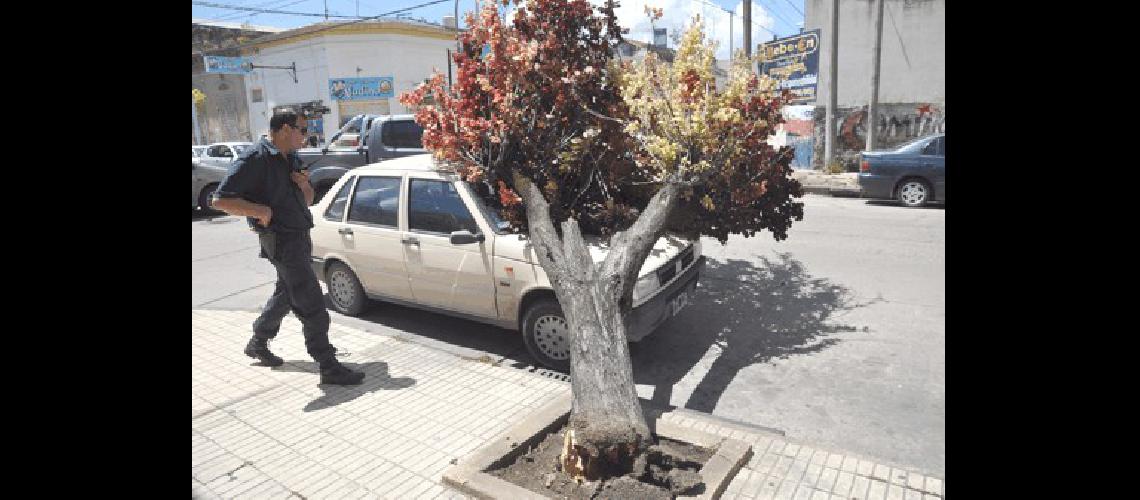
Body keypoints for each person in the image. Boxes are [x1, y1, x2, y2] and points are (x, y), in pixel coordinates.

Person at [212, 110, 365, 386]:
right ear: (284, 129)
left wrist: (304, 183)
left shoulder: (290, 157)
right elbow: (220, 200)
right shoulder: (255, 158)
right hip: (281, 241)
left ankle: (258, 341)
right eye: (301, 130)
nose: (305, 136)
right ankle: (327, 364)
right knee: (312, 302)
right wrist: (258, 210)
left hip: (299, 235)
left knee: (286, 292)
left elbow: (306, 200)